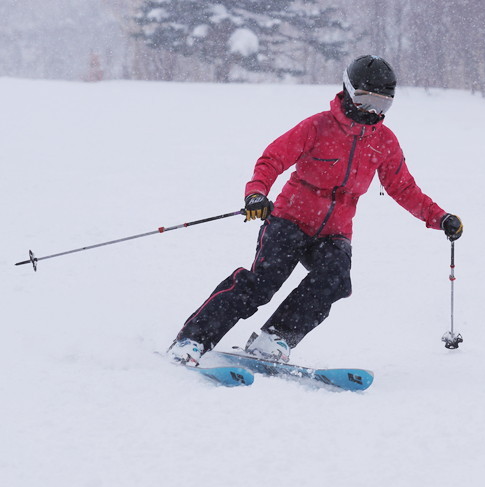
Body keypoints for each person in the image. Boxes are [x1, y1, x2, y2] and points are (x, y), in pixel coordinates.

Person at [167, 55, 463, 365]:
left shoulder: (384, 142)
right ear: (348, 90)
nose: (372, 111)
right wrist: (256, 194)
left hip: (335, 232)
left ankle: (274, 339)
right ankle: (192, 339)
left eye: (382, 104)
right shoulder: (317, 127)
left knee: (334, 280)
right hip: (289, 220)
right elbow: (272, 159)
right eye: (364, 99)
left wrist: (438, 217)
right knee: (262, 284)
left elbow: (402, 187)